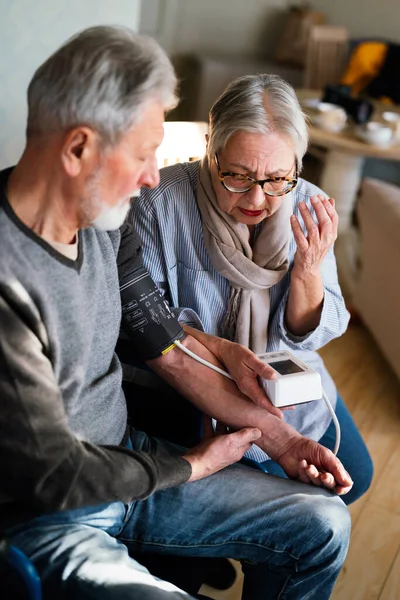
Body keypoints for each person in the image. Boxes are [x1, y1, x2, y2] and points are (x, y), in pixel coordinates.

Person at [0, 26, 353, 600]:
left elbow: (163, 344)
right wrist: (190, 465)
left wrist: (279, 441)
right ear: (78, 149)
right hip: (54, 513)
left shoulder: (106, 225)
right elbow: (56, 475)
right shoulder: (10, 279)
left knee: (325, 523)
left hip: (132, 460)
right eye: (143, 155)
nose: (151, 176)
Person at [131, 73, 373, 505]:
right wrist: (221, 354)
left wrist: (307, 271)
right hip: (190, 386)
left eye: (278, 178)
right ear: (212, 151)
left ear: (298, 165)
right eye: (237, 176)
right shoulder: (158, 203)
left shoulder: (310, 204)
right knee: (257, 501)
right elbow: (151, 327)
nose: (258, 199)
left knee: (356, 476)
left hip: (284, 379)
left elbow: (314, 335)